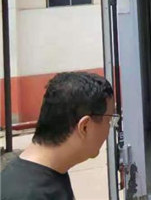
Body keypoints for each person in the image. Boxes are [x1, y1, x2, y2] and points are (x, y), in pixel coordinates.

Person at [1, 72, 117, 200]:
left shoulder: (54, 170)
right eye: (109, 121)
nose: (109, 128)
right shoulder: (28, 195)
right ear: (85, 127)